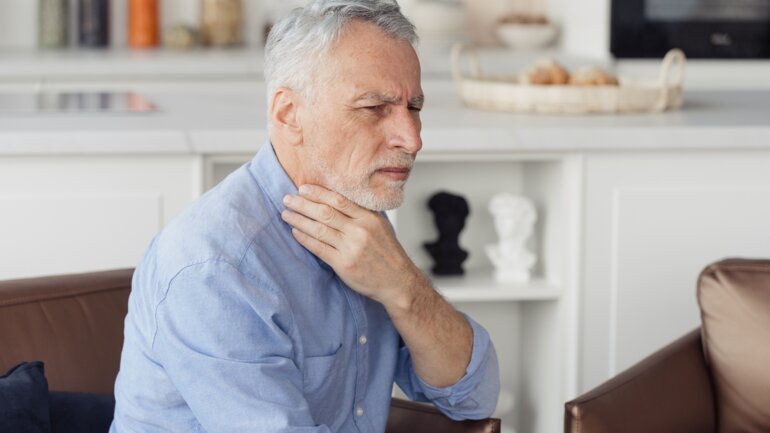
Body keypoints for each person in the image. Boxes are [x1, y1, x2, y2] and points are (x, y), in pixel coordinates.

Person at [110, 1, 500, 432]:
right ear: (288, 114)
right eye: (374, 108)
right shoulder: (214, 267)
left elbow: (474, 397)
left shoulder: (361, 224)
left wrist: (403, 287)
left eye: (414, 108)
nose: (412, 138)